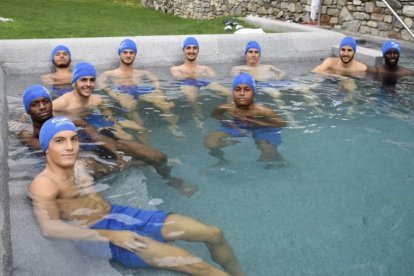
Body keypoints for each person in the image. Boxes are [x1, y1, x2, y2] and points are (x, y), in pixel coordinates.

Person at [28, 116, 244, 276]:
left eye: (73, 139)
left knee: (214, 233)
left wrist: (151, 163)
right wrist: (112, 236)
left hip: (121, 215)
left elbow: (116, 166)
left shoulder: (81, 166)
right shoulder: (44, 184)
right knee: (196, 264)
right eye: (60, 141)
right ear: (46, 147)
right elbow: (50, 228)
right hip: (98, 235)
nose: (69, 147)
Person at [53, 61, 198, 196]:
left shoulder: (97, 99)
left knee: (158, 156)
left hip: (100, 129)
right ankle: (138, 163)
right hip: (80, 138)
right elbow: (37, 116)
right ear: (74, 82)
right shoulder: (62, 103)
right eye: (83, 80)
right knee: (99, 167)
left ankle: (168, 177)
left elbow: (106, 112)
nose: (88, 84)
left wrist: (113, 121)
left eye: (91, 80)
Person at [16, 84, 140, 179]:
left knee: (126, 144)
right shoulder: (27, 133)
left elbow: (93, 133)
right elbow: (50, 153)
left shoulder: (64, 120)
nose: (42, 107)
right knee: (85, 165)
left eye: (46, 101)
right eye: (35, 104)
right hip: (54, 162)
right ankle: (120, 167)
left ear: (51, 103)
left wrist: (117, 153)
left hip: (80, 148)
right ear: (28, 110)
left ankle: (128, 162)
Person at [97, 38, 183, 137]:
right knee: (129, 105)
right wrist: (112, 93)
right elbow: (100, 82)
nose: (128, 55)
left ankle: (173, 126)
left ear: (135, 54)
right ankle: (140, 130)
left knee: (161, 101)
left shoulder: (142, 73)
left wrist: (158, 89)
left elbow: (155, 79)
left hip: (140, 91)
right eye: (125, 52)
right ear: (120, 54)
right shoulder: (110, 73)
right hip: (123, 92)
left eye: (131, 52)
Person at [204, 73, 287, 167]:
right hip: (238, 125)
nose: (242, 93)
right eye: (237, 89)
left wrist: (254, 122)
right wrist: (231, 123)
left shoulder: (263, 111)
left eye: (247, 90)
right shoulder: (227, 107)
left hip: (262, 128)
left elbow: (282, 124)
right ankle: (222, 160)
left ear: (254, 92)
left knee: (267, 153)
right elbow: (215, 114)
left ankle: (277, 163)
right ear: (233, 92)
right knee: (210, 143)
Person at [170, 36, 231, 128]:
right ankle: (198, 116)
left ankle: (229, 113)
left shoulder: (206, 68)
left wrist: (193, 75)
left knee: (229, 93)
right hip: (187, 83)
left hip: (203, 82)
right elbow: (178, 77)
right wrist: (198, 75)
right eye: (188, 48)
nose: (191, 51)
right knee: (192, 96)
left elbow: (215, 77)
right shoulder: (176, 68)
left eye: (194, 48)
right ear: (184, 50)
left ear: (198, 51)